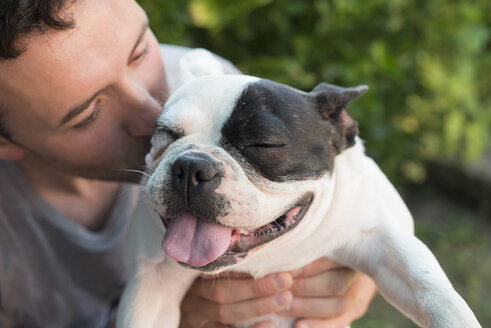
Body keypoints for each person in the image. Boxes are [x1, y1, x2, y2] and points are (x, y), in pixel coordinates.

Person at [0, 0, 376, 327]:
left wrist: (360, 273)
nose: (155, 114)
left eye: (140, 52)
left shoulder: (211, 85)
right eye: (87, 114)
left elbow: (354, 201)